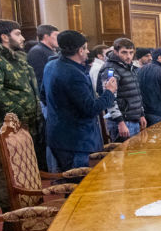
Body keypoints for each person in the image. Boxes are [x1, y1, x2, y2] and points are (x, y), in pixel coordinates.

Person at [0, 19, 42, 212]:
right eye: (18, 34)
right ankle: (11, 216)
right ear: (5, 37)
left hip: (26, 122)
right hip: (8, 125)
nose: (22, 38)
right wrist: (18, 113)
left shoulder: (17, 57)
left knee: (26, 169)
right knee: (9, 172)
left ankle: (30, 210)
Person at [44, 30, 118, 172]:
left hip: (58, 136)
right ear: (80, 50)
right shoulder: (74, 74)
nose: (88, 51)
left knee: (68, 179)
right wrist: (109, 92)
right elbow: (90, 109)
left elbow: (43, 96)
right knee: (80, 181)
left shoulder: (50, 65)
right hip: (76, 141)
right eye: (86, 48)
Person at [97, 37, 145, 141]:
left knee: (135, 150)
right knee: (124, 151)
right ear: (115, 51)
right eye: (124, 52)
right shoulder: (110, 69)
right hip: (121, 122)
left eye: (131, 52)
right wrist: (120, 122)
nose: (128, 56)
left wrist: (141, 114)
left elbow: (135, 93)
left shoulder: (129, 66)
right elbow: (110, 98)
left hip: (133, 119)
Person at [27, 24, 59, 88]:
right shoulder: (36, 51)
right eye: (56, 35)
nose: (59, 38)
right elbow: (39, 78)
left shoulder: (53, 51)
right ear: (46, 36)